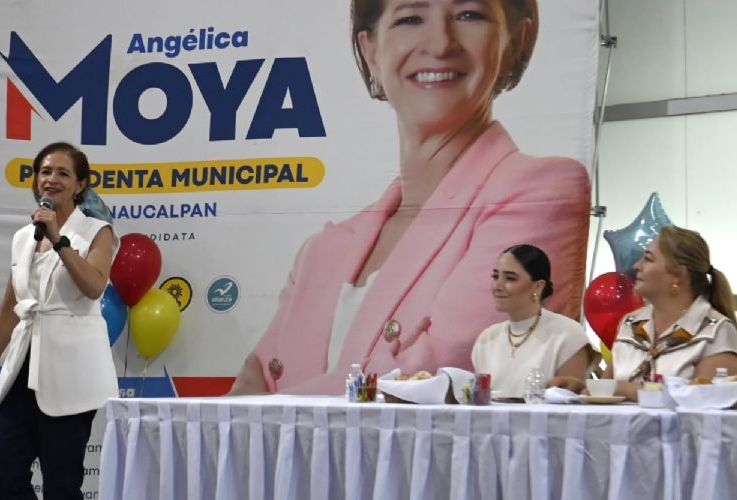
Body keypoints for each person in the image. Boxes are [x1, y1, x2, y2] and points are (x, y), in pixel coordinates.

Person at [229, 0, 590, 395]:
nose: (439, 44)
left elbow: (444, 382)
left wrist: (270, 406)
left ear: (515, 43)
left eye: (469, 15)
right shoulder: (321, 252)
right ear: (371, 51)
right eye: (410, 18)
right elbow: (248, 389)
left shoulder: (542, 193)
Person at [0, 142, 117, 500]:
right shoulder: (22, 238)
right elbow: (8, 306)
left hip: (72, 374)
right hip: (23, 369)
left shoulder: (96, 232)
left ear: (80, 185)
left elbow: (93, 287)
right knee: (2, 467)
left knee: (62, 485)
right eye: (46, 171)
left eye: (64, 173)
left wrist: (60, 240)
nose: (52, 179)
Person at [604, 226, 737, 401]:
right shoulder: (631, 323)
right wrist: (578, 386)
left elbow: (704, 402)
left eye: (648, 259)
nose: (637, 266)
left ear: (678, 275)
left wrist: (625, 390)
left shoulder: (716, 331)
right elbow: (603, 391)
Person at [472, 245, 593, 397]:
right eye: (495, 277)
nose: (498, 286)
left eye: (510, 278)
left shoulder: (568, 334)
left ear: (538, 286)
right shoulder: (487, 338)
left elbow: (570, 405)